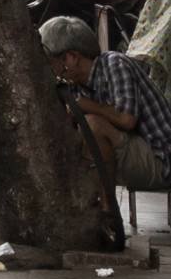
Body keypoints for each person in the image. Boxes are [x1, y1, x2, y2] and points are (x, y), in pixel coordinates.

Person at [40, 15, 171, 191]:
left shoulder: (114, 64)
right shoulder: (75, 85)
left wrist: (87, 106)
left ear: (71, 57)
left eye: (51, 62)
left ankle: (107, 207)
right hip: (137, 154)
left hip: (161, 160)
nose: (51, 69)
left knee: (92, 125)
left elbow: (127, 120)